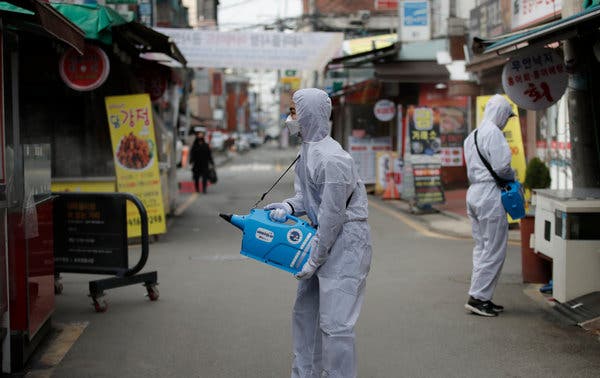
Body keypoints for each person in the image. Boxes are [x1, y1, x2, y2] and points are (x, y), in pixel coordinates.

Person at [264, 88, 372, 378]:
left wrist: (314, 258)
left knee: (336, 325)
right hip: (324, 240)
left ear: (309, 114)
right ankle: (305, 373)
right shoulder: (308, 152)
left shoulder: (332, 159)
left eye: (293, 112)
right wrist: (288, 206)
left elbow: (332, 216)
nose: (289, 118)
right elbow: (310, 200)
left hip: (345, 245)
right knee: (306, 315)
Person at [463, 94, 516, 317]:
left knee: (482, 247)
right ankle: (479, 298)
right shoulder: (494, 133)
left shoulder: (472, 135)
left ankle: (480, 296)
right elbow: (503, 167)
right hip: (489, 194)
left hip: (474, 192)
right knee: (494, 248)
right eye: (507, 115)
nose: (507, 120)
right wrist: (512, 175)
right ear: (501, 113)